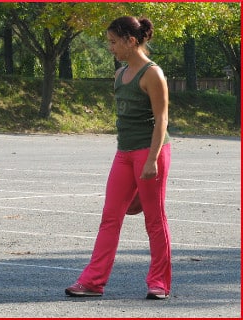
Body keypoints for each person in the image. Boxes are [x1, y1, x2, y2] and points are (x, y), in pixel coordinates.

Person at [65, 16, 171, 300]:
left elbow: (162, 120)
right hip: (124, 154)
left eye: (113, 42)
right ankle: (92, 282)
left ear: (131, 41)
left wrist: (152, 160)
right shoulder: (119, 75)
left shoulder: (152, 74)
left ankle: (159, 283)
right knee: (110, 218)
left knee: (154, 219)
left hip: (150, 152)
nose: (110, 47)